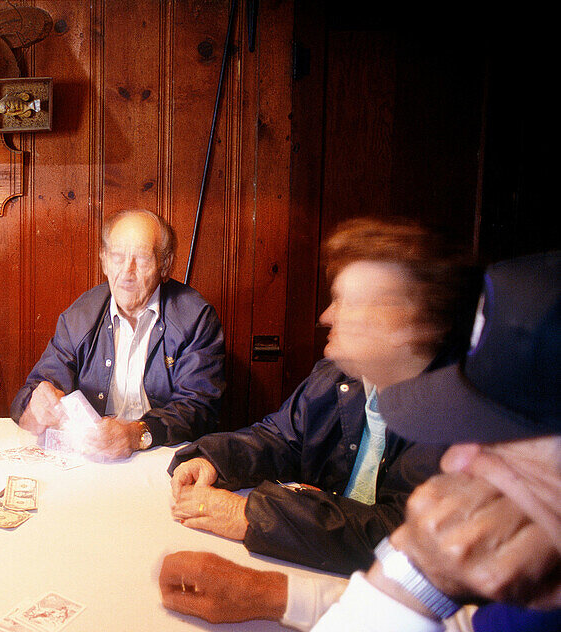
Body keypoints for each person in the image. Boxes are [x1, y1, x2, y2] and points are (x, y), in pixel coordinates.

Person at [168, 218, 470, 573]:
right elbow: (280, 439)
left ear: (408, 322)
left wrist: (250, 514)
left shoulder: (461, 417)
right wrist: (213, 460)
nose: (326, 316)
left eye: (347, 302)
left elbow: (401, 535)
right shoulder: (336, 378)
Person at [311, 250, 561, 631]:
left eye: (502, 436)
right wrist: (414, 583)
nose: (453, 461)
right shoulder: (535, 605)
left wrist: (407, 580)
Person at [10, 208, 225, 459]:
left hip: (163, 455)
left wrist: (136, 434)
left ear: (165, 264)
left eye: (142, 258)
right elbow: (34, 389)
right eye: (117, 257)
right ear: (103, 260)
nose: (127, 272)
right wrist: (34, 405)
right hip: (95, 457)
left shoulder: (195, 318)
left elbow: (200, 408)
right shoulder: (80, 316)